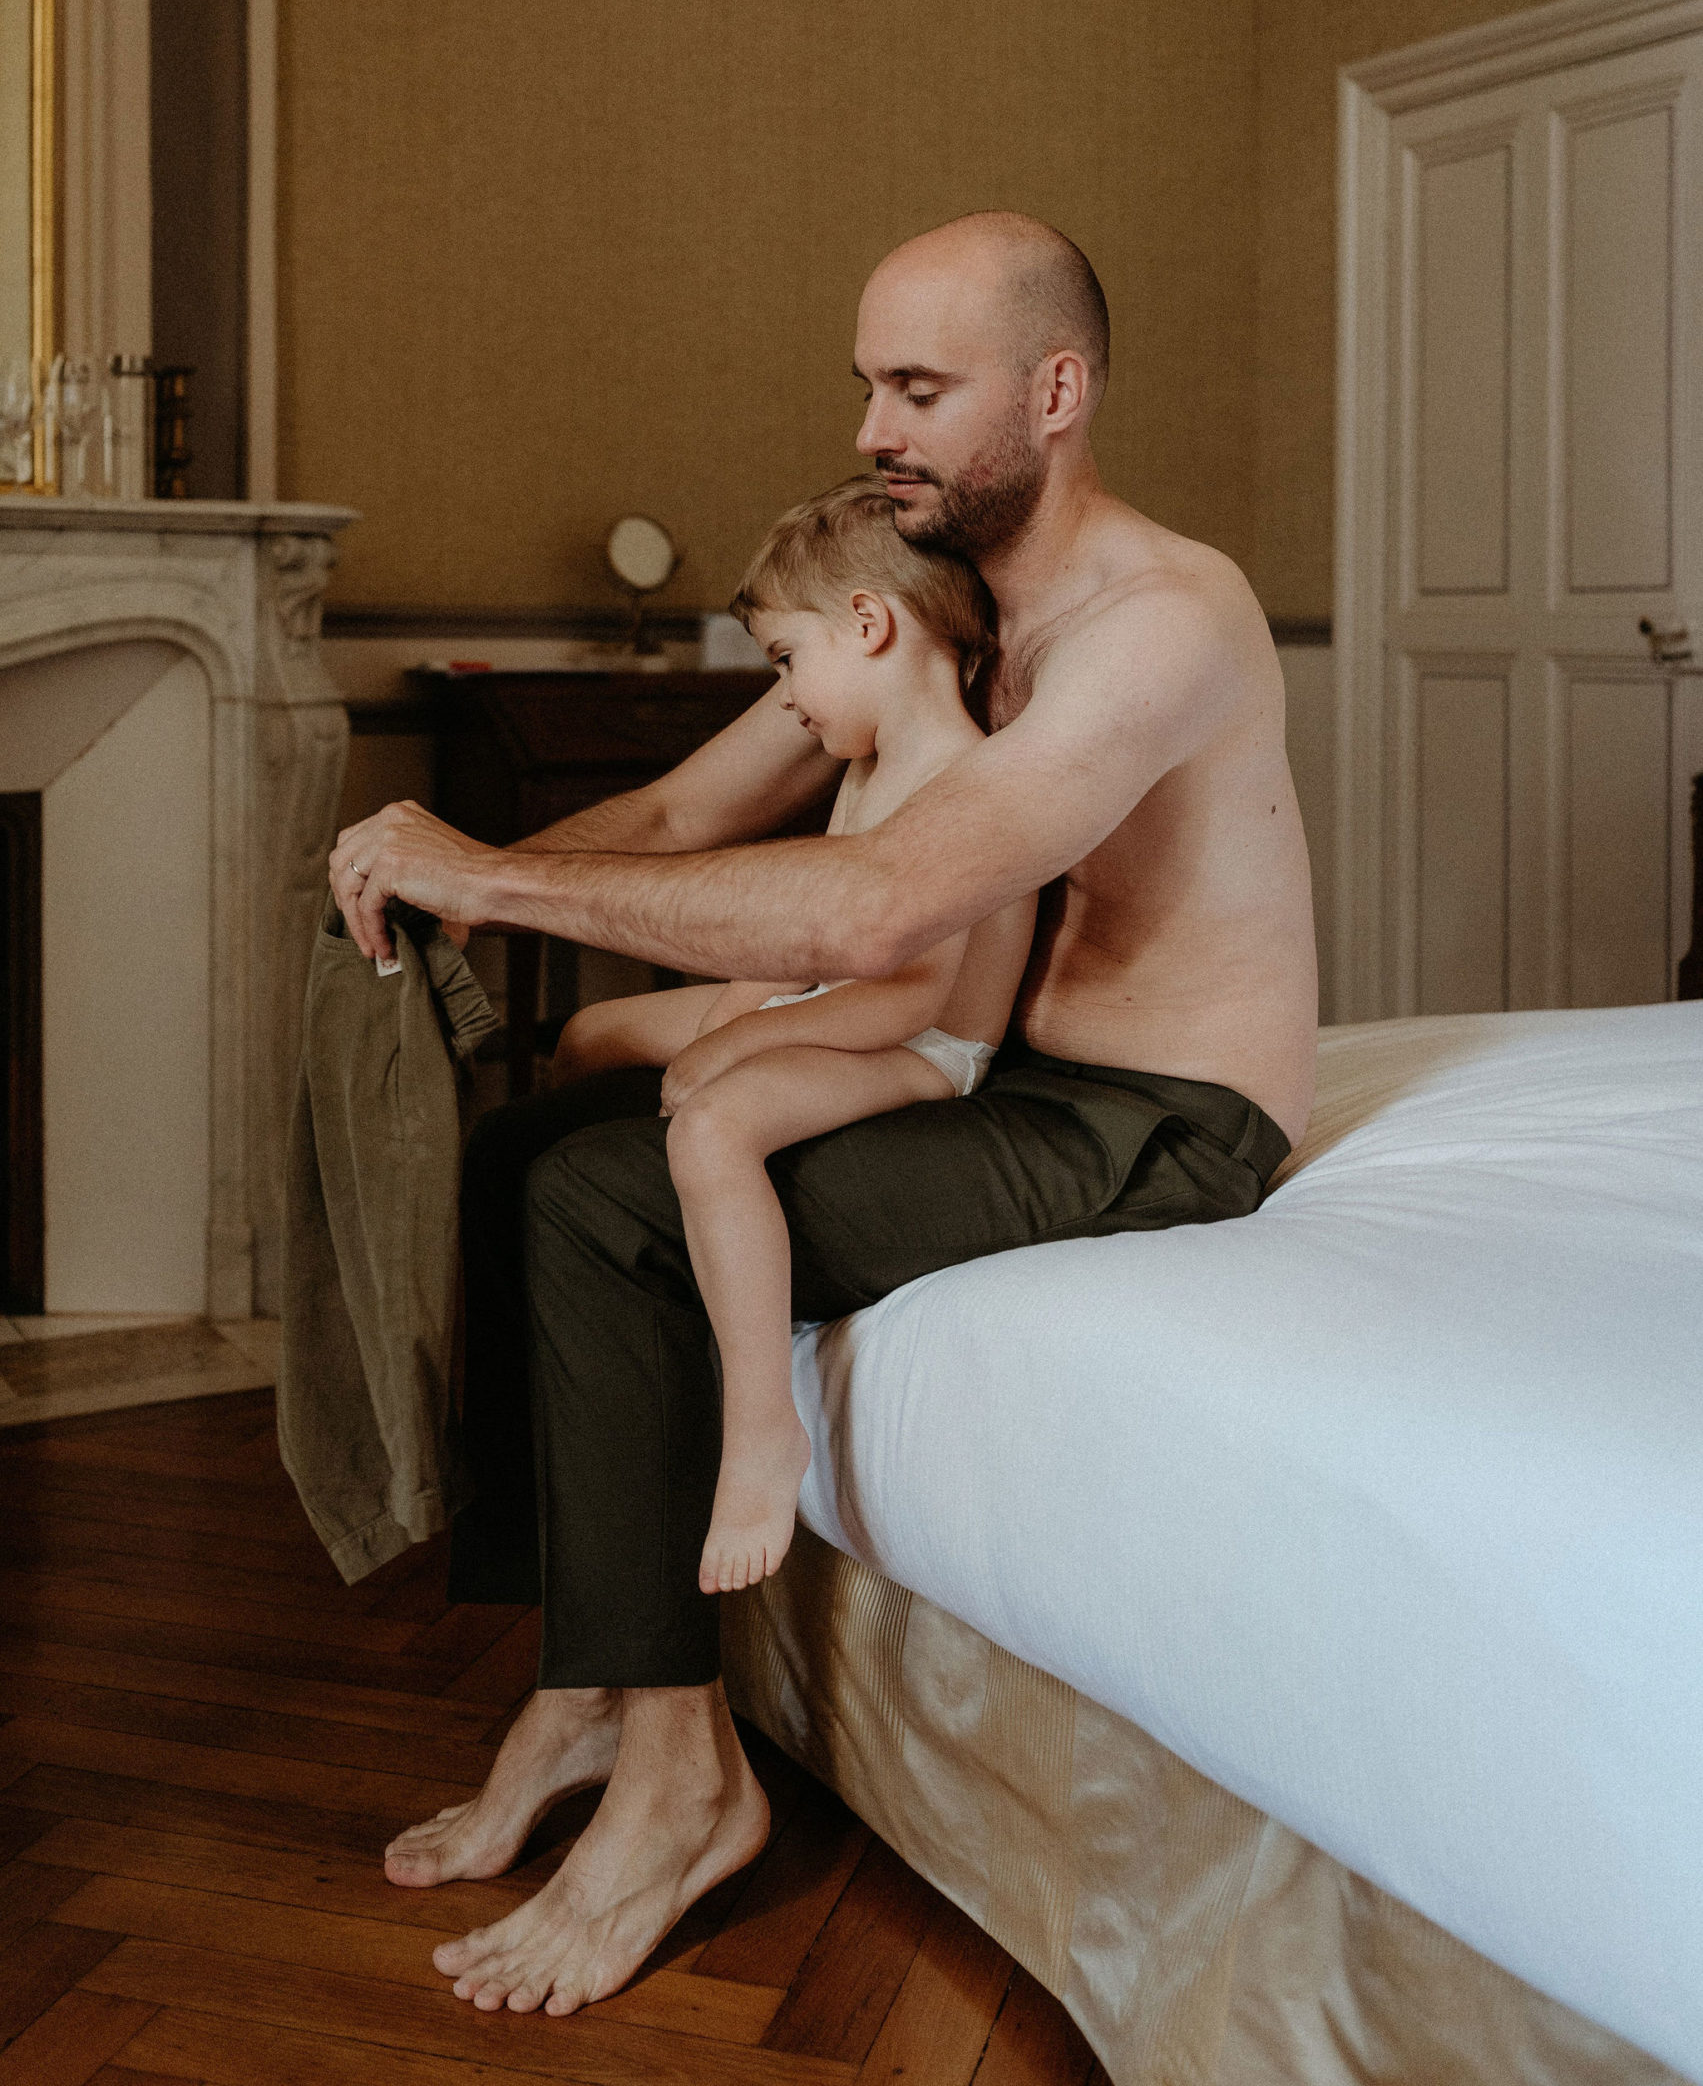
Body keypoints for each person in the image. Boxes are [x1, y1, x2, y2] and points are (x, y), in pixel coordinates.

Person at [330, 208, 1318, 2020]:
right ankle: (585, 1680)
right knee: (530, 1147)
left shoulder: (1156, 624)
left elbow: (876, 912)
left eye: (917, 389)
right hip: (995, 1074)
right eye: (867, 384)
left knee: (609, 1202)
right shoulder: (931, 596)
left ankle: (680, 1779)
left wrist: (497, 879)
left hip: (1149, 1117)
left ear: (1055, 393)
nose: (870, 426)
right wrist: (442, 877)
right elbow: (681, 818)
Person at [552, 476, 1036, 1597]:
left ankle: (761, 1423)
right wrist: (731, 1013)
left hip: (921, 1049)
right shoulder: (867, 762)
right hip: (835, 1001)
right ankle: (583, 1243)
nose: (786, 699)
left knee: (715, 1126)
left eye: (785, 660)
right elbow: (804, 936)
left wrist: (735, 1050)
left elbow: (903, 998)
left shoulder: (963, 781)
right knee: (592, 1034)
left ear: (868, 625)